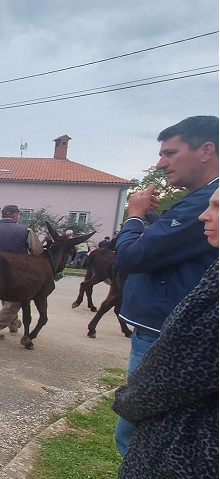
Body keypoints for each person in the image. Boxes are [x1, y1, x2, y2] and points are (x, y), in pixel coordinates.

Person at [112, 115, 218, 455]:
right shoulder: (200, 203)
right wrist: (156, 220)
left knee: (134, 438)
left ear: (206, 150)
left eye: (170, 153)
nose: (160, 164)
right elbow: (176, 243)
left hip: (162, 334)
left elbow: (131, 257)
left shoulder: (207, 200)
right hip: (165, 330)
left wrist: (134, 215)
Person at [0, 204, 44, 340]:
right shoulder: (25, 230)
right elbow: (37, 251)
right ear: (15, 215)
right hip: (16, 271)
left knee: (5, 298)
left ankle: (13, 324)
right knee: (16, 300)